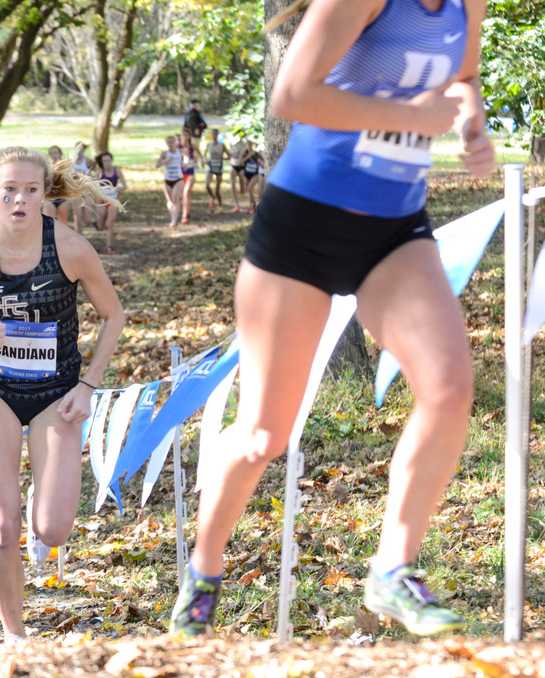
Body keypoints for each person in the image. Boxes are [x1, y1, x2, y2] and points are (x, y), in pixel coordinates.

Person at [171, 0, 495, 637]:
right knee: (264, 435)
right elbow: (291, 94)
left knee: (449, 388)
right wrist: (411, 117)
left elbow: (463, 75)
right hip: (302, 228)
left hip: (394, 229)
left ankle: (393, 569)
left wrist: (471, 124)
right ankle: (204, 570)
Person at [0, 146, 126, 643]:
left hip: (57, 393)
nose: (19, 200)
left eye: (30, 190)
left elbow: (113, 316)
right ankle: (16, 637)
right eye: (9, 190)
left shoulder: (71, 248)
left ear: (44, 194)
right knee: (2, 527)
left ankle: (43, 489)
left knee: (52, 530)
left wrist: (89, 384)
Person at [95, 152, 127, 254]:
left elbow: (125, 185)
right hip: (102, 200)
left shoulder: (117, 171)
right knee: (101, 226)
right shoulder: (100, 173)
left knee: (110, 223)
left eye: (108, 161)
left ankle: (109, 246)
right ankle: (99, 223)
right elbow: (91, 185)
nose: (107, 163)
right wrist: (98, 194)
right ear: (102, 162)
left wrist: (120, 188)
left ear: (111, 161)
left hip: (113, 200)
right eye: (104, 161)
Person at [156, 136, 184, 229]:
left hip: (178, 179)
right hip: (167, 180)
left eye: (172, 142)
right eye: (168, 142)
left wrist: (185, 164)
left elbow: (188, 158)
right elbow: (157, 165)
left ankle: (174, 221)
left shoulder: (180, 152)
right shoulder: (164, 153)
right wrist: (165, 161)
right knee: (170, 201)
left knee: (175, 200)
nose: (170, 144)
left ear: (175, 142)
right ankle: (173, 216)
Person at [41, 145, 70, 225]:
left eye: (55, 152)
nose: (54, 155)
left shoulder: (66, 167)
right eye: (52, 153)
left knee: (63, 223)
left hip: (62, 198)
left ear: (60, 153)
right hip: (50, 198)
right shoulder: (47, 167)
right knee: (47, 222)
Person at [178, 129, 202, 225]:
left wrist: (200, 160)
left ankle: (185, 216)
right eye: (183, 135)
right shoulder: (177, 146)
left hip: (190, 173)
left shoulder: (192, 146)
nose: (185, 137)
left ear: (189, 136)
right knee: (182, 195)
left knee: (186, 192)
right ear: (180, 136)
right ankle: (184, 212)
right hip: (180, 173)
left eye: (186, 135)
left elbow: (199, 155)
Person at [203, 128, 231, 210]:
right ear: (211, 135)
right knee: (207, 185)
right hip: (211, 167)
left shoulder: (222, 145)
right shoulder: (208, 144)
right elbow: (204, 155)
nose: (214, 136)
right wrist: (205, 160)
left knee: (217, 189)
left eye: (216, 134)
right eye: (213, 134)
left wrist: (221, 158)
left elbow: (229, 156)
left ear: (218, 135)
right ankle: (212, 197)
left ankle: (220, 205)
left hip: (219, 167)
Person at [241, 141, 265, 213]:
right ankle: (252, 205)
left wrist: (260, 162)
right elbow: (239, 163)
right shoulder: (244, 153)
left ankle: (253, 206)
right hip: (247, 173)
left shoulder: (257, 153)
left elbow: (263, 162)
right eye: (248, 144)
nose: (249, 145)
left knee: (249, 188)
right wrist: (247, 157)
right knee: (249, 190)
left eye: (250, 144)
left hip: (255, 174)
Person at [228, 132, 249, 213]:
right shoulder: (231, 144)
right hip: (233, 165)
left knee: (243, 185)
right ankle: (236, 204)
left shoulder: (244, 145)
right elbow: (230, 155)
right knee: (232, 184)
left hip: (242, 166)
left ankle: (246, 197)